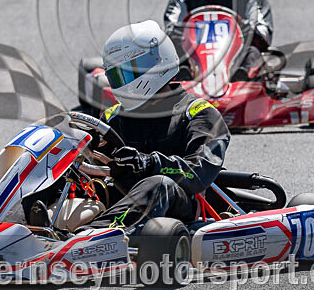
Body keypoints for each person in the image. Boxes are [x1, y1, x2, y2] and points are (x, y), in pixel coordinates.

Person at [29, 20, 230, 231]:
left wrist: (149, 163)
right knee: (55, 166)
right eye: (116, 75)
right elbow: (91, 156)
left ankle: (92, 234)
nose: (123, 82)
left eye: (129, 72)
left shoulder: (198, 113)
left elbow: (198, 172)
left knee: (159, 183)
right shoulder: (114, 116)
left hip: (176, 203)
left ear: (159, 62)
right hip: (119, 197)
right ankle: (23, 222)